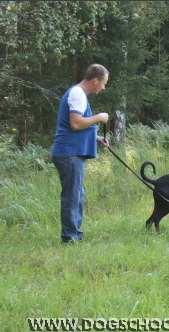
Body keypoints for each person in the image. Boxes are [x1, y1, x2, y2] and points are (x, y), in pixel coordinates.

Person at [52, 64, 110, 243]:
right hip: (69, 153)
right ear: (95, 80)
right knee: (72, 196)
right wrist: (99, 117)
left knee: (76, 194)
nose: (103, 87)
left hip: (72, 152)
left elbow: (78, 126)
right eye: (103, 83)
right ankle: (70, 237)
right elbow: (76, 123)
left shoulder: (78, 94)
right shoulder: (77, 94)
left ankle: (74, 234)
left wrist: (96, 137)